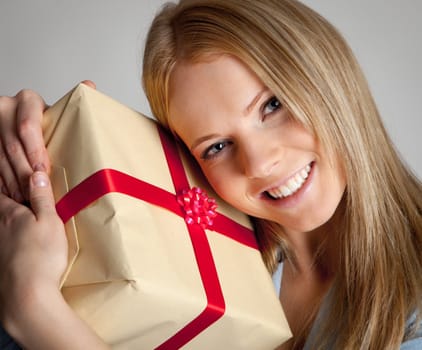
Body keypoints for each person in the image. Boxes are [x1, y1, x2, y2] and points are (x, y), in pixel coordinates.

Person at [0, 0, 421, 349]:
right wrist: (40, 153)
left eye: (271, 106)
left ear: (328, 75)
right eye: (216, 147)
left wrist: (37, 310)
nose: (258, 164)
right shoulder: (193, 265)